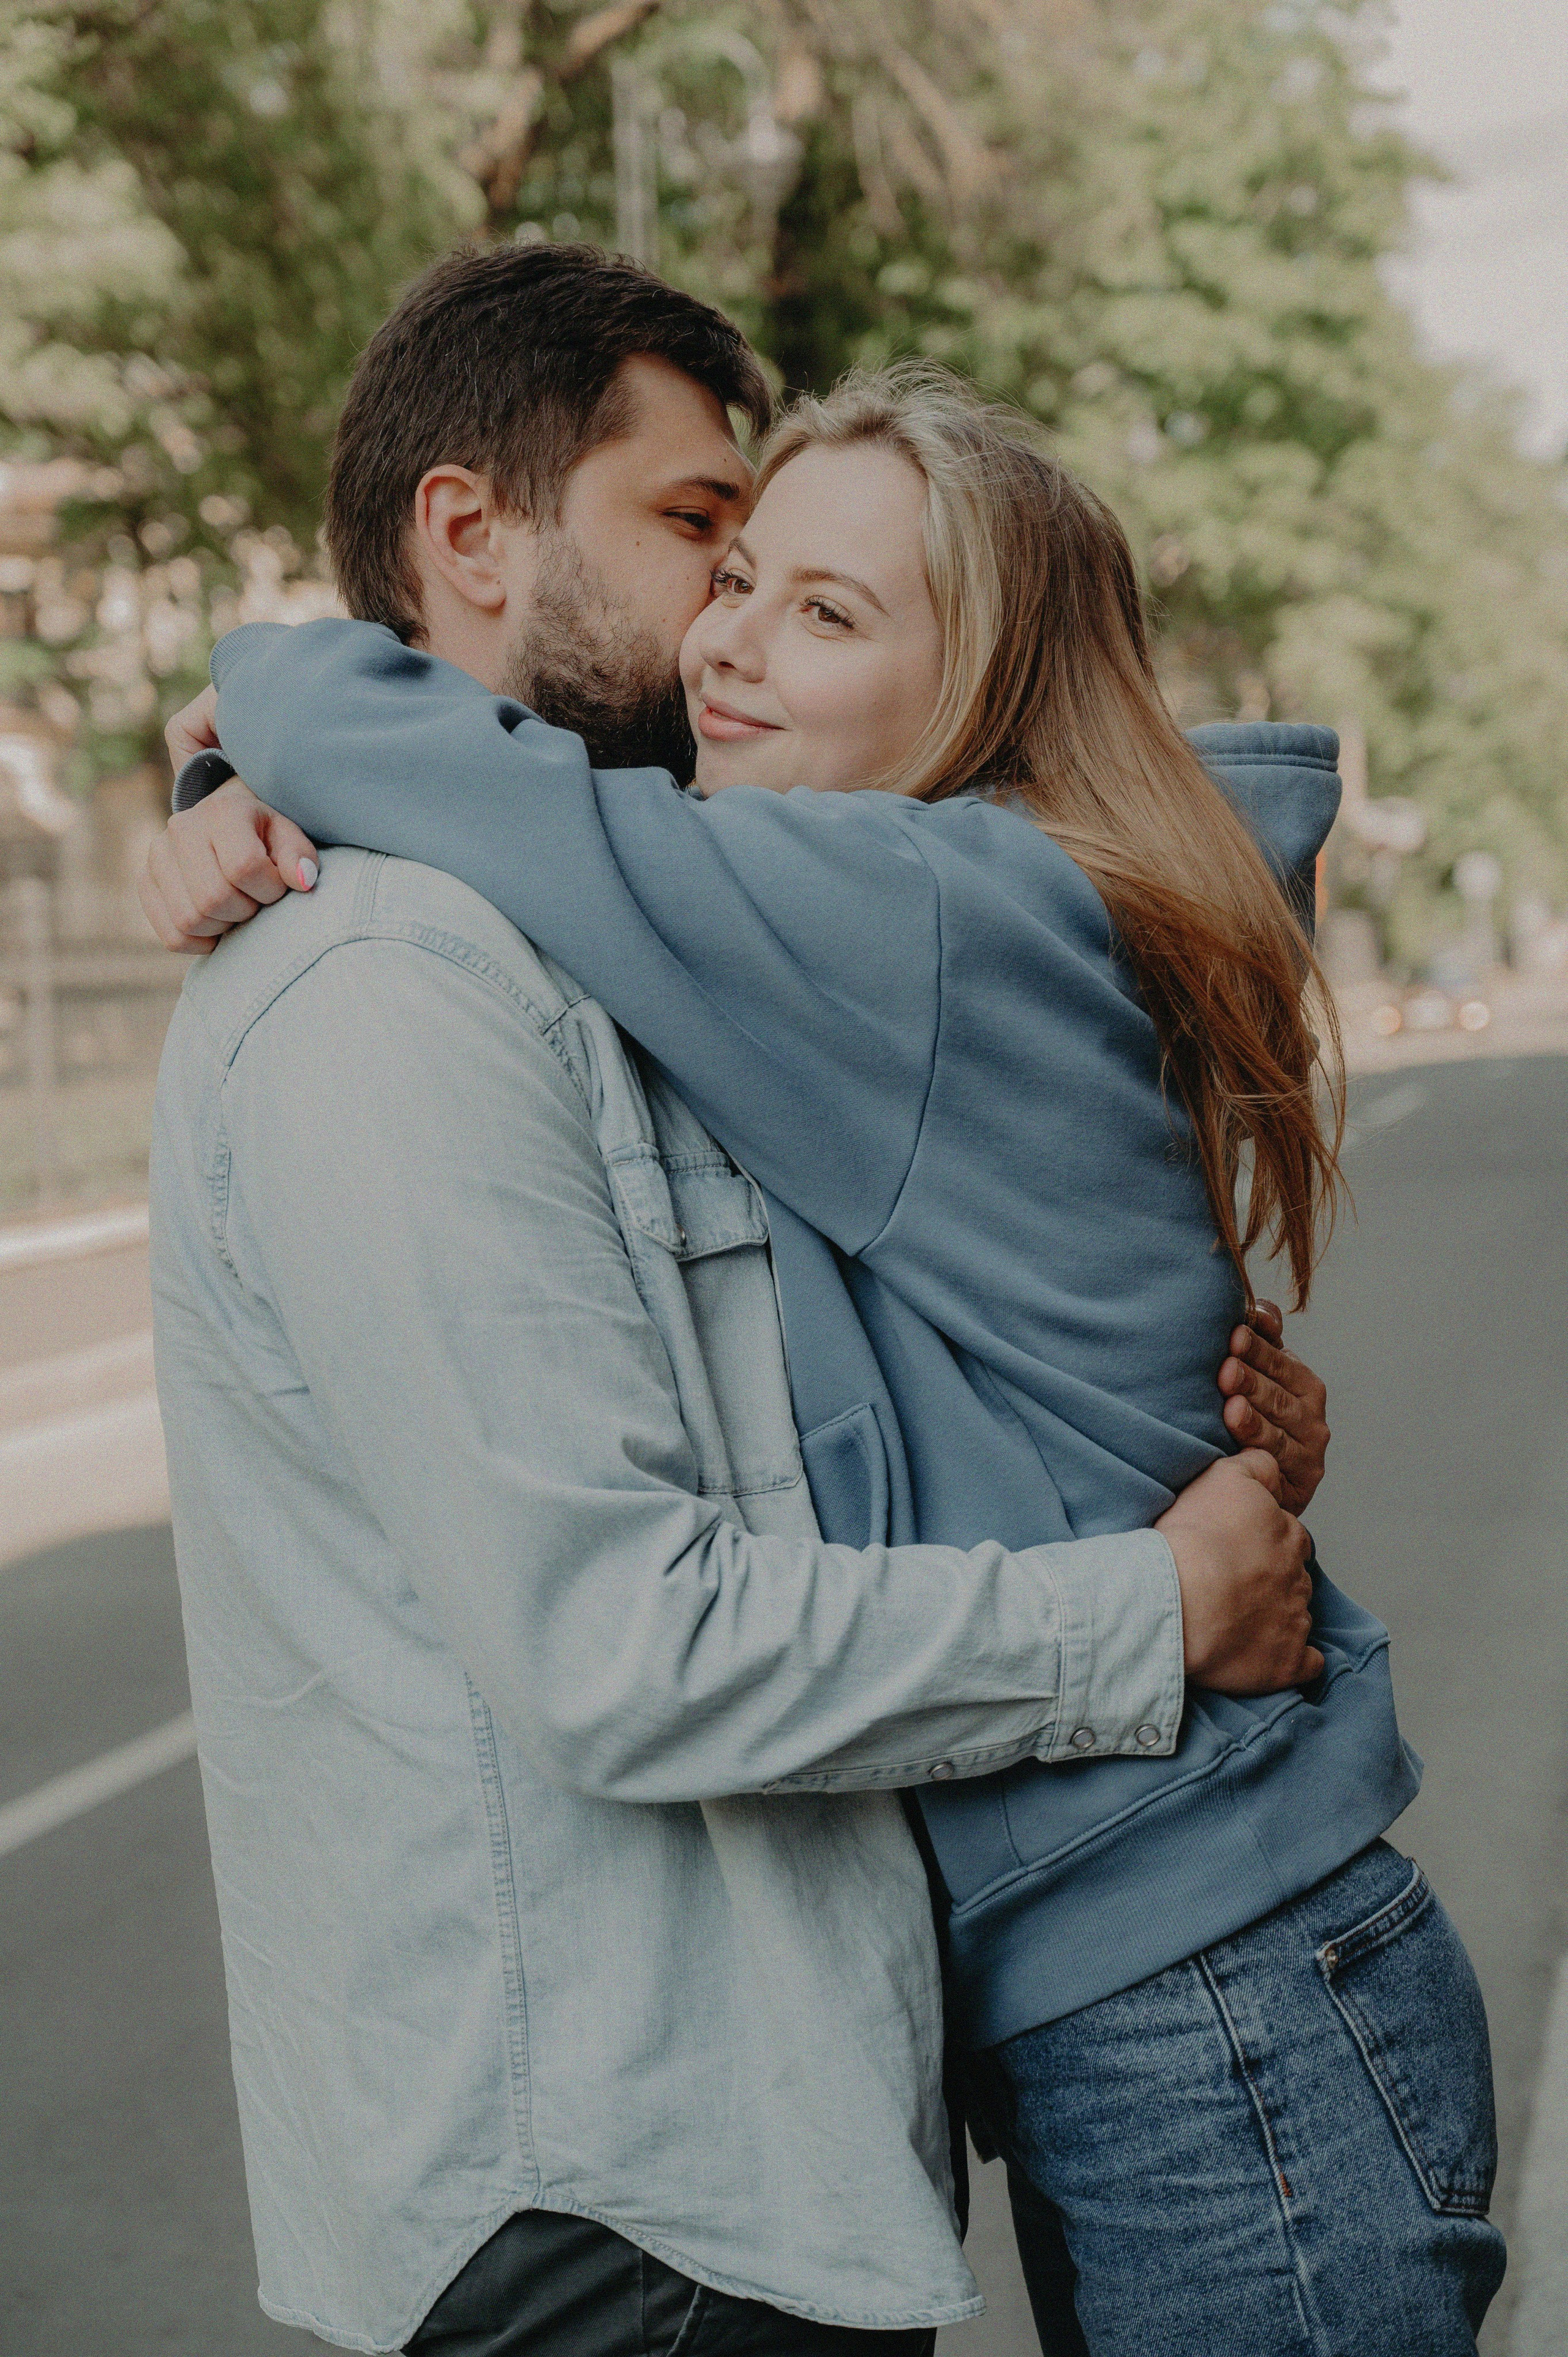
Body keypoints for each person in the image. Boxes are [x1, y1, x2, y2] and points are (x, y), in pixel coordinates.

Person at [156, 295, 1507, 2353]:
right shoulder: (618, 966)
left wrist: (251, 720)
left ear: (977, 695)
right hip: (1117, 1991)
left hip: (1214, 1980)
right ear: (469, 531)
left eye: (818, 608)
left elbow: (424, 755)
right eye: (717, 554)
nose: (725, 631)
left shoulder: (906, 913)